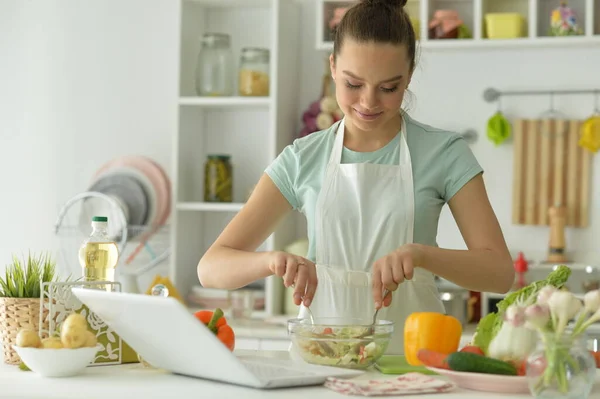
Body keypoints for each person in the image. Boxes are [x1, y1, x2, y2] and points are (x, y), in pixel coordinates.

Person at [198, 0, 514, 355]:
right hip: (321, 364)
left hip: (412, 367)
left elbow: (499, 272)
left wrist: (421, 255)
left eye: (389, 88)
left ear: (409, 75)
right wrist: (270, 261)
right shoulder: (303, 158)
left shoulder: (444, 153)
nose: (368, 102)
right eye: (353, 83)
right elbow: (211, 268)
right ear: (332, 67)